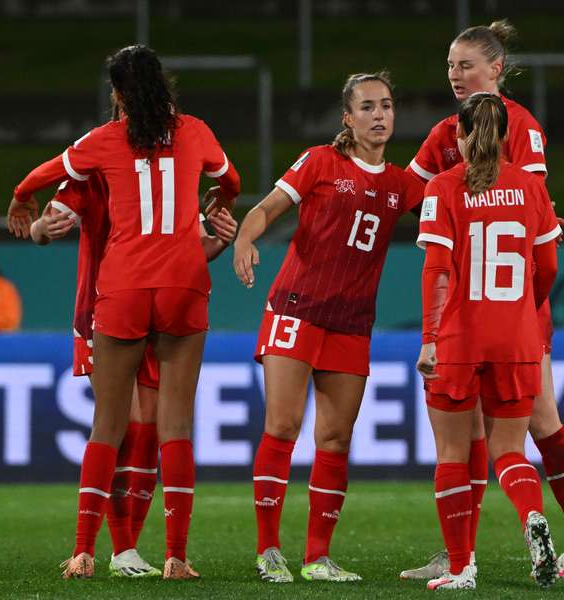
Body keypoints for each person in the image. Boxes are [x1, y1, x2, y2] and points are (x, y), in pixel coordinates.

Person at [7, 44, 240, 580]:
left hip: (120, 290)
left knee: (109, 425)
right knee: (173, 426)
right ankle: (175, 556)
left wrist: (22, 198)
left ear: (117, 94)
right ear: (165, 84)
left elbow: (44, 177)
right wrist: (219, 207)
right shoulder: (195, 132)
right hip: (182, 284)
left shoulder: (101, 144)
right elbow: (230, 180)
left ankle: (87, 549)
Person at [402, 20, 564, 581]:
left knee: (539, 423)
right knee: (488, 437)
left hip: (489, 311)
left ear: (497, 68)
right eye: (449, 66)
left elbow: (517, 217)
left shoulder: (522, 127)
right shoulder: (448, 129)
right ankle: (463, 551)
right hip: (510, 306)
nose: (455, 75)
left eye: (466, 65)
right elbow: (403, 189)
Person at [233, 71, 424, 584]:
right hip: (296, 310)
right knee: (283, 426)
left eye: (386, 105)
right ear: (348, 118)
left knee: (336, 438)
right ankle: (268, 549)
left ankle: (317, 557)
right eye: (367, 107)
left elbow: (456, 215)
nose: (379, 115)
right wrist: (244, 240)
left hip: (351, 323)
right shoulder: (320, 161)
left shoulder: (404, 184)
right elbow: (267, 208)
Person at [28, 175, 237, 578]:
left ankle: (126, 551)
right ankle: (110, 547)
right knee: (123, 423)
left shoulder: (168, 170)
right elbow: (45, 225)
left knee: (147, 427)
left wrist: (221, 240)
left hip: (156, 310)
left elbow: (194, 246)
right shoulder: (92, 170)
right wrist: (39, 227)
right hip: (102, 308)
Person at [416, 93, 561, 590]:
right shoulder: (530, 188)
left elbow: (436, 271)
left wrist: (429, 339)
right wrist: (523, 308)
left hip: (459, 337)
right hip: (516, 338)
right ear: (503, 137)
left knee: (454, 455)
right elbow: (548, 268)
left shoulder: (443, 186)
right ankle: (531, 519)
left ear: (459, 136)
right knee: (510, 451)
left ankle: (461, 568)